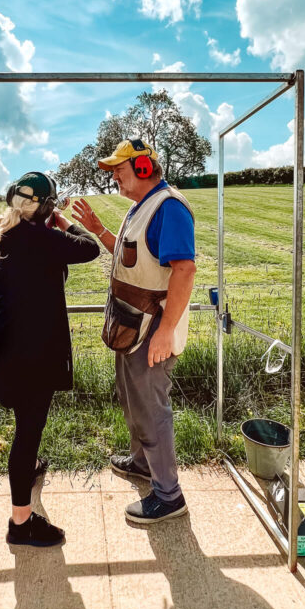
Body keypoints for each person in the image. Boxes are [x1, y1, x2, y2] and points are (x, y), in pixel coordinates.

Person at [72, 139, 196, 524]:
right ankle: (143, 465)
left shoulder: (169, 208)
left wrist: (167, 330)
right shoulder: (141, 209)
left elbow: (184, 270)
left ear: (143, 168)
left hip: (152, 330)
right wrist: (97, 229)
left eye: (119, 171)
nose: (113, 179)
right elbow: (130, 257)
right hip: (132, 327)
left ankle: (168, 495)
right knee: (133, 400)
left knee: (152, 409)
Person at [0, 171, 100, 547]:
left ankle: (28, 470)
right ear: (44, 207)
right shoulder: (39, 238)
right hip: (28, 351)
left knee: (24, 424)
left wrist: (48, 220)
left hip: (3, 344)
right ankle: (20, 523)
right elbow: (89, 247)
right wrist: (63, 220)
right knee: (28, 431)